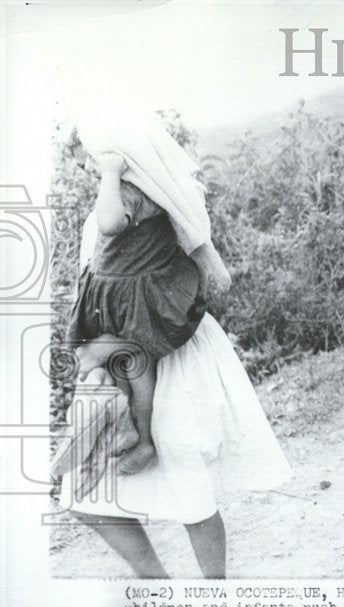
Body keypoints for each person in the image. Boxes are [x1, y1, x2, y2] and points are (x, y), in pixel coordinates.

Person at [66, 130, 231, 476]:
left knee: (128, 362)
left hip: (140, 300)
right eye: (84, 167)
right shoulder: (136, 189)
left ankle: (142, 439)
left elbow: (110, 225)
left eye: (91, 162)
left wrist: (111, 173)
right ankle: (124, 428)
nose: (90, 172)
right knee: (126, 365)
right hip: (116, 298)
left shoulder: (130, 190)